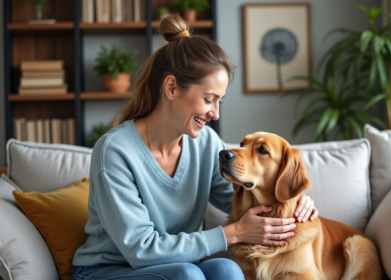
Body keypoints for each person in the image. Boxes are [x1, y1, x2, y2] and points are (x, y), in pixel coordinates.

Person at [71, 14, 318, 280]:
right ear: (171, 87)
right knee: (187, 275)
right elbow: (139, 250)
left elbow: (241, 198)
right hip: (106, 270)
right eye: (208, 99)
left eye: (219, 102)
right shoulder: (115, 151)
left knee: (226, 269)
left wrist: (294, 200)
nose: (215, 114)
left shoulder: (207, 144)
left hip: (178, 266)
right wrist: (232, 233)